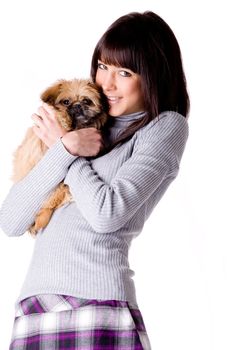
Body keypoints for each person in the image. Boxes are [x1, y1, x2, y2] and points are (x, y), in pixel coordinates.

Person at [0, 11, 189, 350]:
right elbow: (11, 221)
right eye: (102, 66)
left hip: (97, 304)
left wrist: (68, 152)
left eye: (124, 72)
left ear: (153, 77)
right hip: (36, 306)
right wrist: (66, 146)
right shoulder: (77, 131)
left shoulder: (163, 128)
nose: (107, 83)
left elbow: (107, 214)